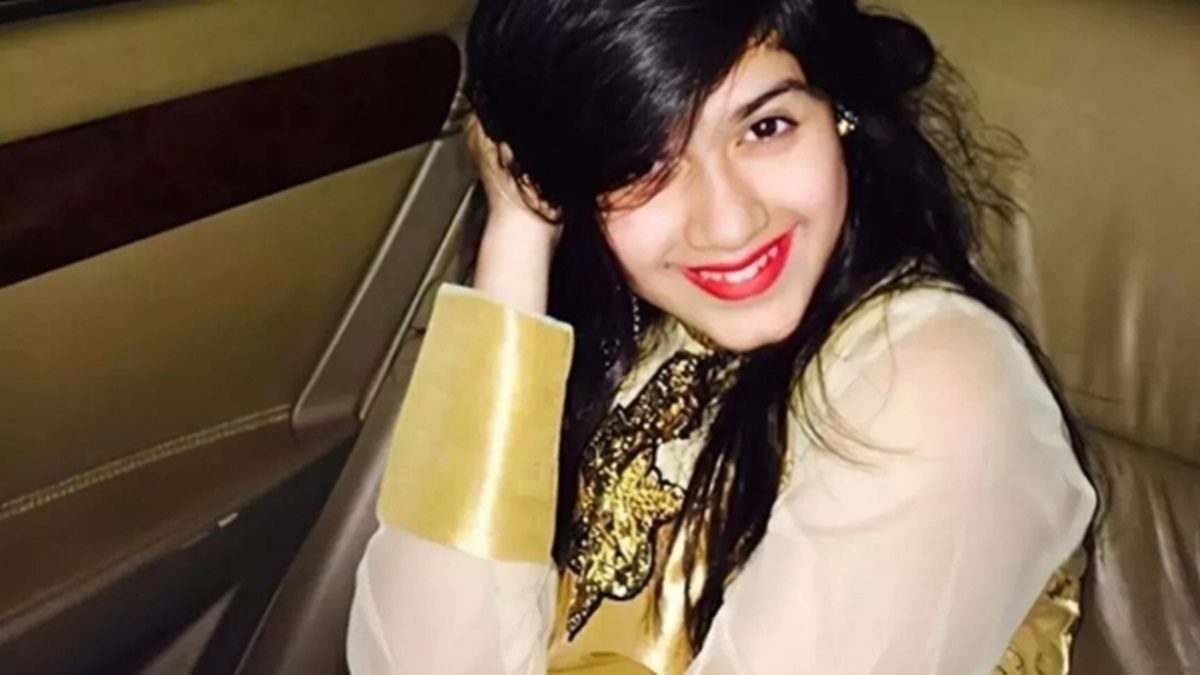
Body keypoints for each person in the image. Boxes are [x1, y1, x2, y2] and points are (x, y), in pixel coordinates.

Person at [346, 0, 1098, 672]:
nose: (729, 224)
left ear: (839, 111)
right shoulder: (629, 325)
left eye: (766, 127)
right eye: (645, 163)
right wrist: (518, 230)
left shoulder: (935, 384)